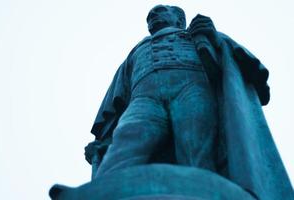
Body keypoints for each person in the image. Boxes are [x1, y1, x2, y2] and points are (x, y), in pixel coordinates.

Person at [85, 5, 293, 200]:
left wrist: (213, 38)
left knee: (195, 141)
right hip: (144, 97)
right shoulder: (136, 51)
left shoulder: (197, 34)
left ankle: (202, 188)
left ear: (179, 19)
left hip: (192, 89)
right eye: (149, 16)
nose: (153, 18)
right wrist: (104, 138)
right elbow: (118, 96)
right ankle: (104, 186)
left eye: (159, 12)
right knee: (128, 135)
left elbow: (238, 60)